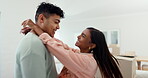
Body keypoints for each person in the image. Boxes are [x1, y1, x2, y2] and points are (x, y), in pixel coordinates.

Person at [21, 19, 123, 78]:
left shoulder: (87, 61)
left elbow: (57, 49)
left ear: (91, 45)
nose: (78, 36)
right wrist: (37, 31)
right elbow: (62, 46)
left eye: (83, 36)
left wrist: (36, 28)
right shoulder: (79, 54)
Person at [15, 2, 64, 78]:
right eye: (56, 22)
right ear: (41, 19)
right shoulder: (33, 44)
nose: (58, 27)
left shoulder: (42, 42)